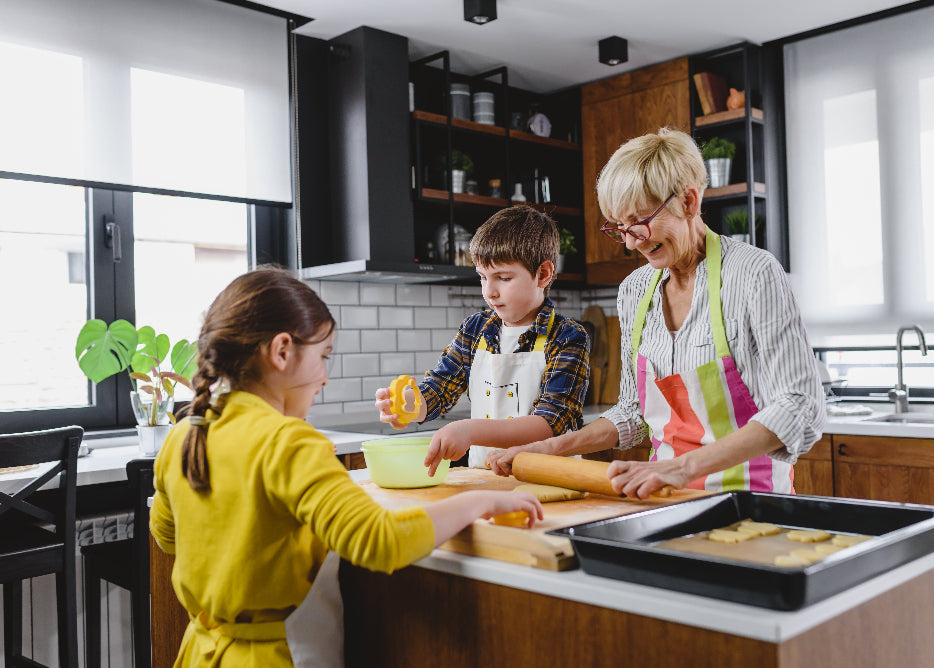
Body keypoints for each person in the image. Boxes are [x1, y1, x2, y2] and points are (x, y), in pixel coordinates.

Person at [149, 266, 542, 668]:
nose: (322, 377)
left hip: (199, 654)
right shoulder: (288, 442)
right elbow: (380, 542)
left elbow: (167, 535)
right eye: (322, 356)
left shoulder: (184, 437)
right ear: (282, 351)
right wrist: (478, 502)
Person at [487, 128, 825, 498]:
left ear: (689, 202)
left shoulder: (754, 274)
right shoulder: (634, 291)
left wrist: (683, 468)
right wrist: (552, 447)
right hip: (665, 497)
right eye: (620, 227)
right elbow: (633, 412)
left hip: (753, 500)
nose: (631, 241)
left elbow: (800, 407)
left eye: (640, 221)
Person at [375, 206, 590, 475]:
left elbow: (550, 422)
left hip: (551, 479)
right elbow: (440, 389)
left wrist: (469, 430)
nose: (489, 292)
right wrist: (406, 404)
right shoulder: (476, 329)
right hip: (488, 478)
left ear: (543, 274)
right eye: (483, 277)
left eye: (503, 278)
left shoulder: (567, 336)